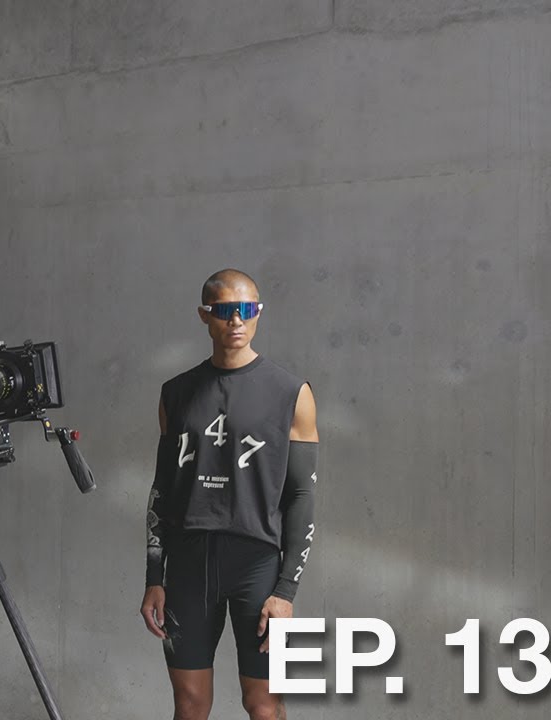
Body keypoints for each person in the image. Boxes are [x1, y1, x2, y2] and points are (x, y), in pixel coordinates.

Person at [139, 269, 319, 720]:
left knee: (264, 704)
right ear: (205, 315)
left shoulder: (292, 393)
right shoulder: (175, 393)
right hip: (188, 566)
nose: (236, 321)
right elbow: (162, 489)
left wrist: (286, 590)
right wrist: (154, 576)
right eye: (224, 311)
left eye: (246, 310)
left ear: (258, 313)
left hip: (256, 566)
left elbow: (300, 495)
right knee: (190, 704)